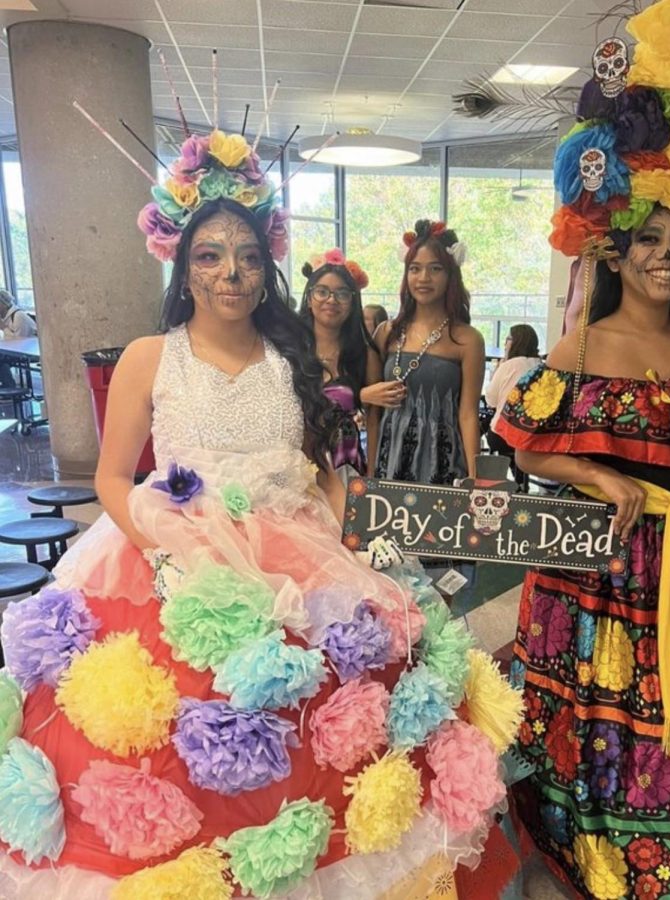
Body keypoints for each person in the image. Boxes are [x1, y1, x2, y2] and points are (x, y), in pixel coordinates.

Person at [0, 128, 519, 898]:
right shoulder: (150, 354)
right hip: (172, 550)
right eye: (209, 255)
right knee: (171, 735)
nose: (231, 273)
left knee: (329, 724)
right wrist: (159, 543)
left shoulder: (294, 357)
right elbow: (113, 477)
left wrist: (364, 540)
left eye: (246, 255)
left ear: (266, 263)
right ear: (182, 264)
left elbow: (320, 470)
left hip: (300, 554)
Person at [495, 1, 670, 896]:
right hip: (607, 571)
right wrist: (598, 475)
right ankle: (610, 860)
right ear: (614, 252)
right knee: (609, 715)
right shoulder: (579, 349)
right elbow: (527, 446)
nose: (664, 257)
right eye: (646, 242)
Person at [368, 219, 485, 485]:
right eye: (415, 269)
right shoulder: (386, 332)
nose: (424, 278)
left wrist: (475, 480)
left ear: (450, 275)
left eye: (435, 269)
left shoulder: (468, 340)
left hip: (442, 462)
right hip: (389, 457)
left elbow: (468, 414)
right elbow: (373, 412)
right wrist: (371, 472)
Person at [299, 250, 404, 477]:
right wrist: (359, 396)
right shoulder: (292, 350)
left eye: (342, 293)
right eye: (322, 292)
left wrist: (373, 476)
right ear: (309, 298)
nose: (331, 300)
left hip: (347, 464)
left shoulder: (364, 354)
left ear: (352, 302)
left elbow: (374, 423)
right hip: (300, 462)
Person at [484, 324, 542, 489]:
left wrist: (497, 370)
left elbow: (491, 401)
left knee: (497, 426)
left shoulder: (508, 366)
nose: (505, 343)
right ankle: (520, 479)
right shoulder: (542, 366)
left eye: (508, 339)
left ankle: (507, 480)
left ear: (516, 342)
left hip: (503, 437)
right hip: (535, 436)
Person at [0, 289, 37, 389]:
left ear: (2, 303)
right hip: (13, 350)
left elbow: (20, 340)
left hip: (29, 351)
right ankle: (7, 385)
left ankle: (9, 386)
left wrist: (4, 328)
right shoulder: (4, 317)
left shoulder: (18, 316)